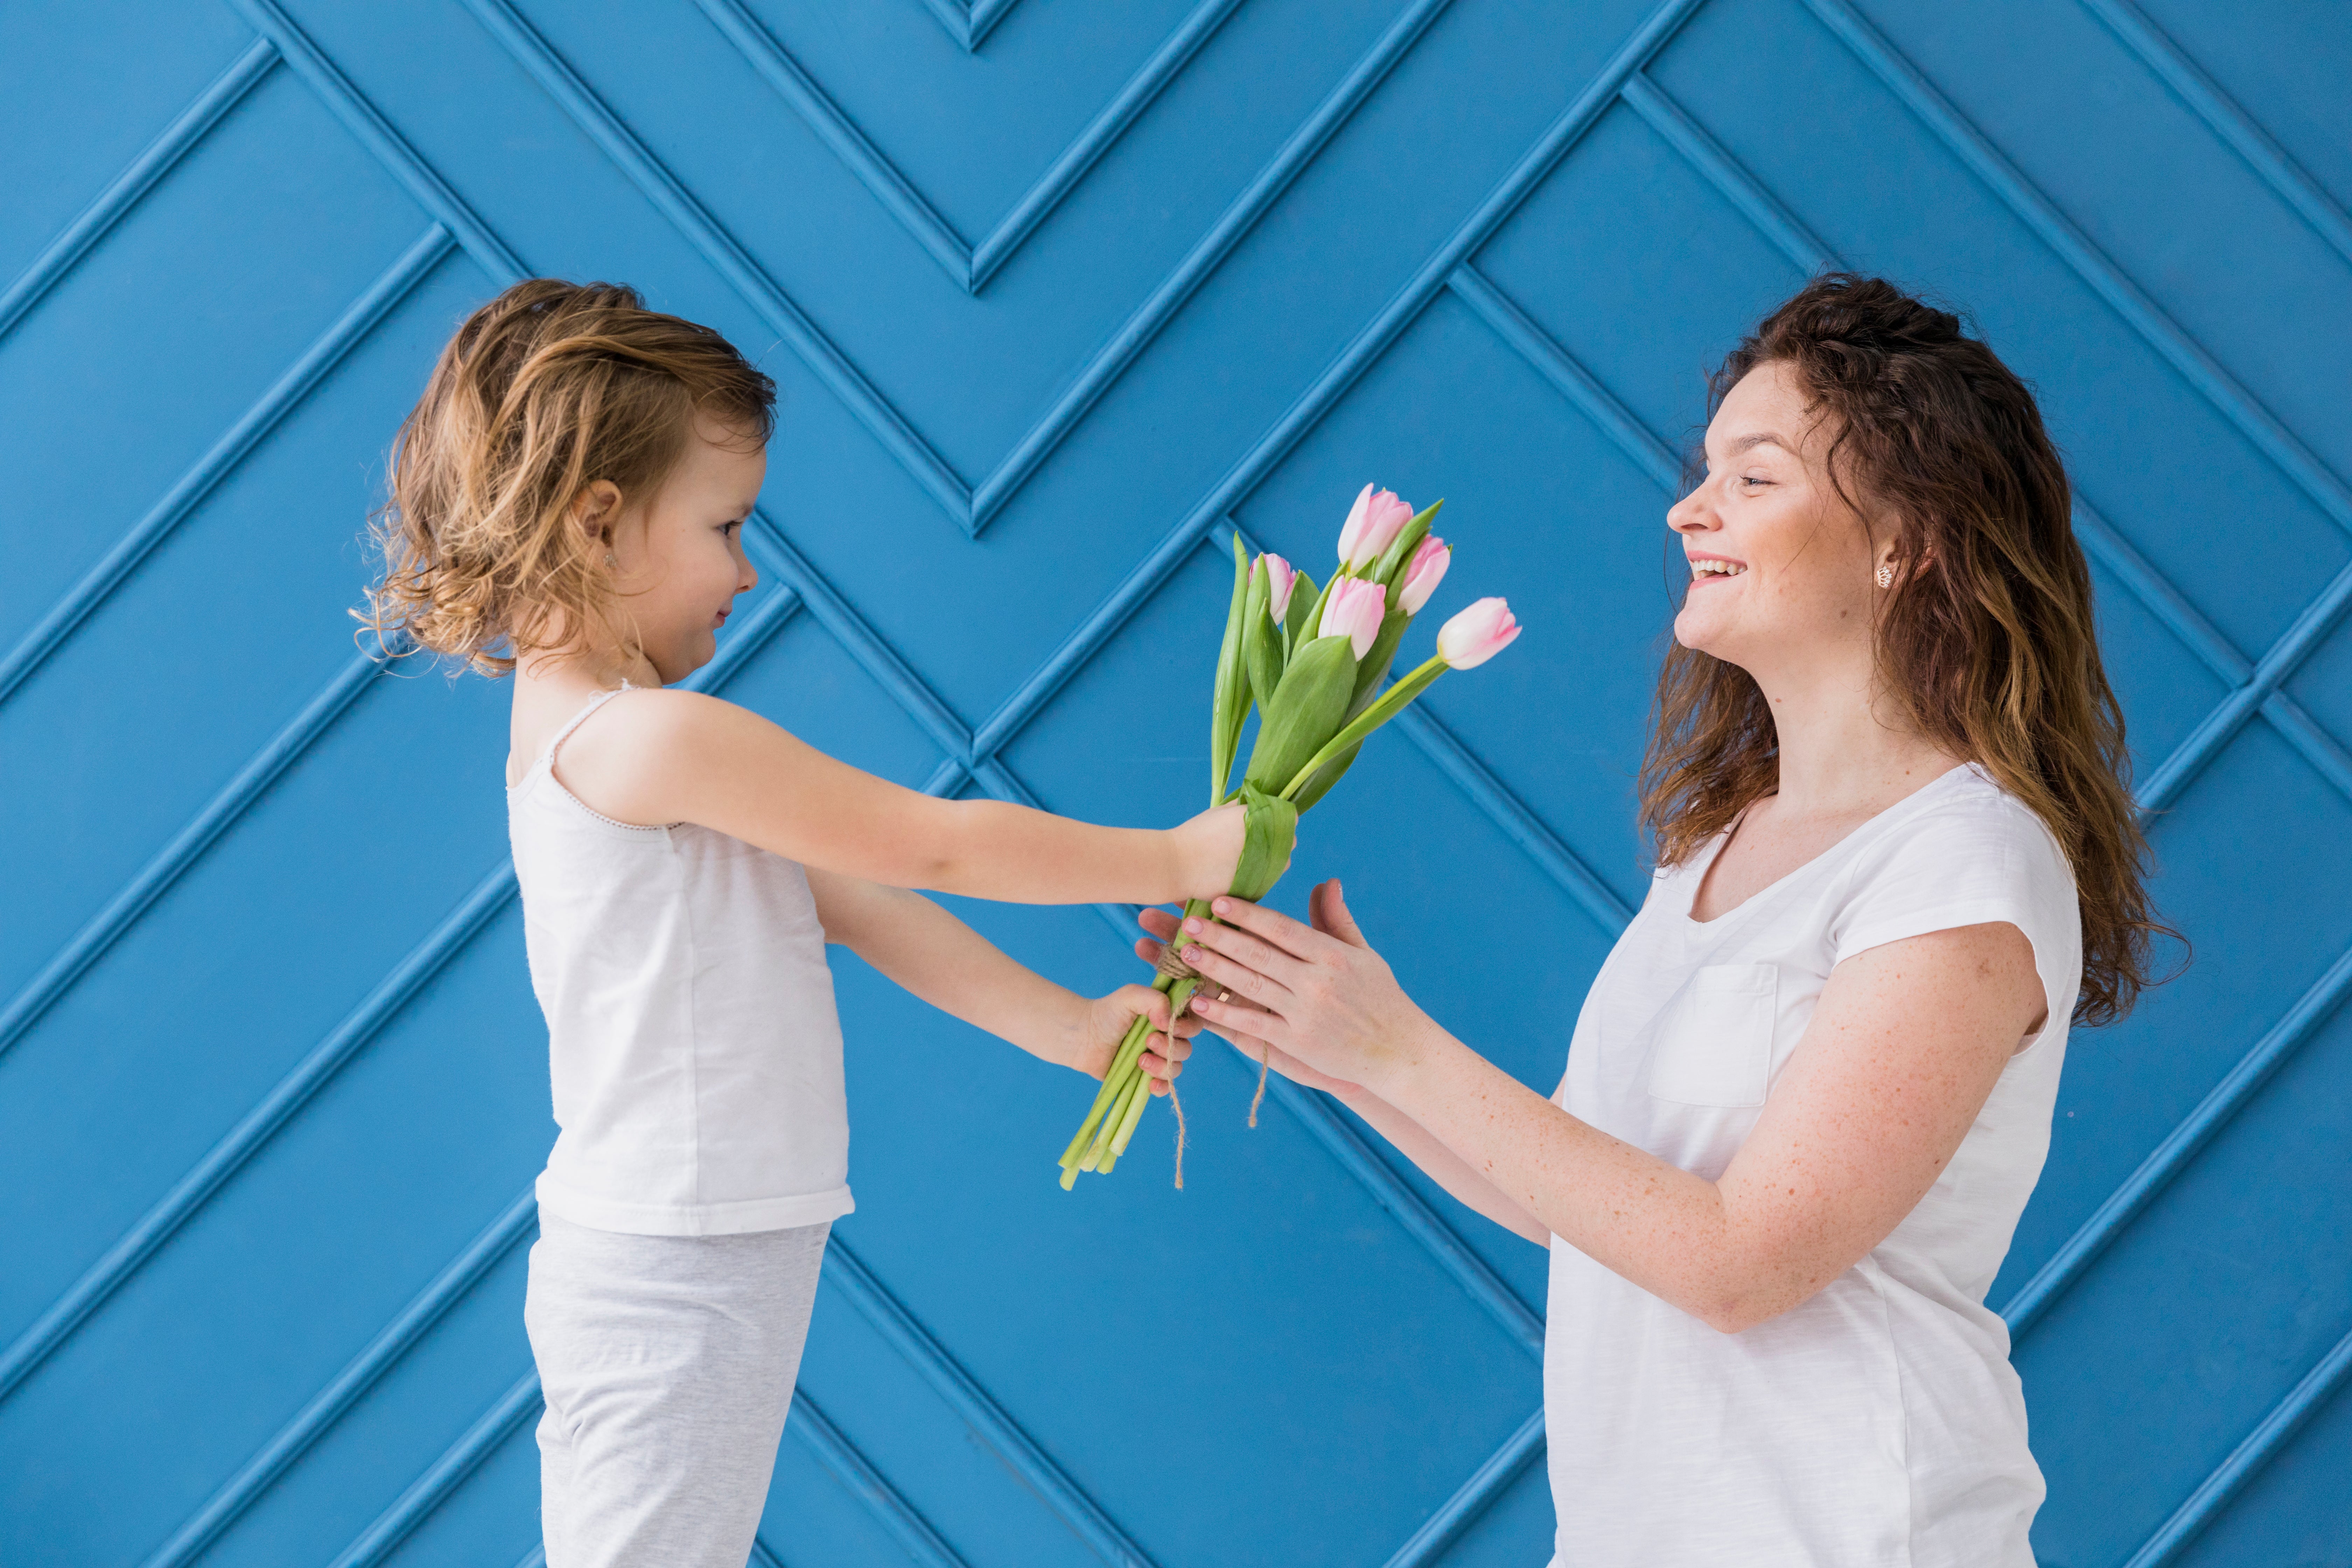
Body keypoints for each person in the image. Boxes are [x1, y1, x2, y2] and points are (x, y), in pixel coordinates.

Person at [1151, 274, 2174, 1566]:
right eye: (1707, 474)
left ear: (1904, 538)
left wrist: (1397, 1046)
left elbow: (1744, 1262)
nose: (1689, 509)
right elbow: (1584, 1194)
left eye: (1754, 477)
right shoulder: (1716, 847)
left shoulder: (1963, 866)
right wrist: (1330, 1039)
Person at [361, 279, 1248, 1567]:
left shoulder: (621, 738)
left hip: (707, 1253)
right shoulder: (643, 739)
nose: (748, 567)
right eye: (725, 526)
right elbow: (931, 843)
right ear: (602, 522)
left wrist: (1066, 1026)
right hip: (676, 1268)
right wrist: (1175, 854)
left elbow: (844, 899)